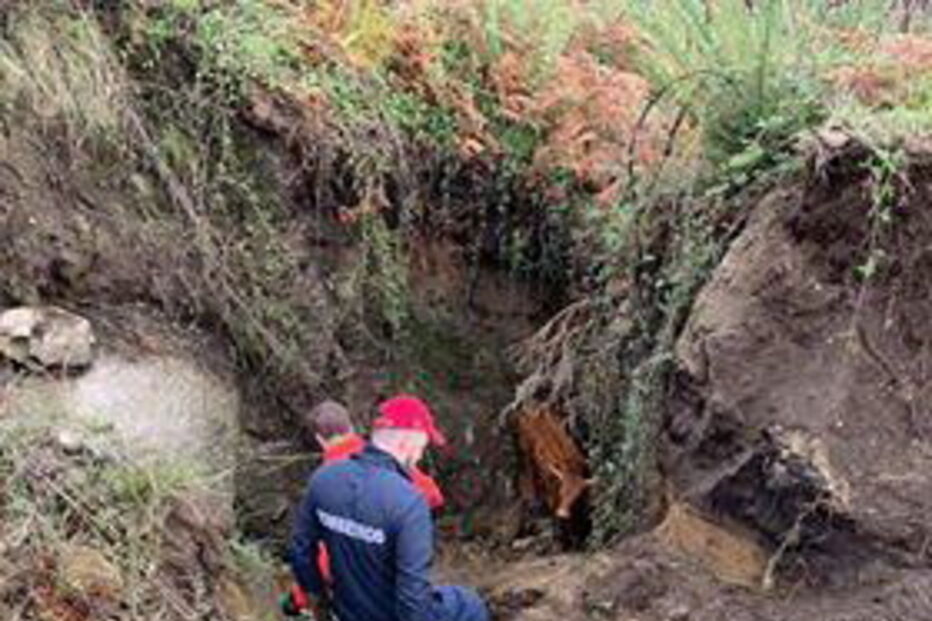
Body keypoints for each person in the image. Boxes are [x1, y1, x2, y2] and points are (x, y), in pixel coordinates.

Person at [286, 395, 488, 621]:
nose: (421, 455)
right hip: (390, 611)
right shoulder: (409, 501)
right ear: (407, 443)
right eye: (422, 446)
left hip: (347, 609)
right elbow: (412, 599)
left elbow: (301, 551)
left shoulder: (323, 479)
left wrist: (320, 603)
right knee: (469, 604)